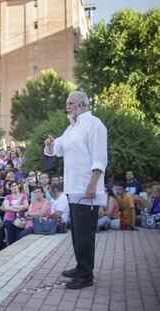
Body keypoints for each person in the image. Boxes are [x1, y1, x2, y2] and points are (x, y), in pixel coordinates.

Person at [44, 90, 107, 289]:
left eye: (71, 103)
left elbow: (100, 157)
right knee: (76, 232)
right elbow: (58, 149)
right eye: (67, 103)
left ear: (82, 105)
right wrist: (51, 144)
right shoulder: (71, 128)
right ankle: (81, 267)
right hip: (73, 189)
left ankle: (86, 275)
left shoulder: (95, 125)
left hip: (87, 190)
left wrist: (93, 185)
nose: (68, 106)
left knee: (85, 233)